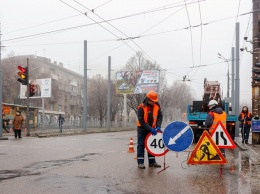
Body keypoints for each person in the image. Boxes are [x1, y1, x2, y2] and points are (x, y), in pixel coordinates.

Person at [136, 91, 163, 169]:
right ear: (148, 99)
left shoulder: (157, 106)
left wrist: (158, 126)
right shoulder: (141, 108)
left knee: (151, 145)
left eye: (155, 101)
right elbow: (142, 121)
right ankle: (140, 163)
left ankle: (152, 162)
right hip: (142, 128)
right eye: (153, 101)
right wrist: (150, 129)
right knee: (141, 145)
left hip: (153, 128)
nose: (154, 102)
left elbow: (160, 116)